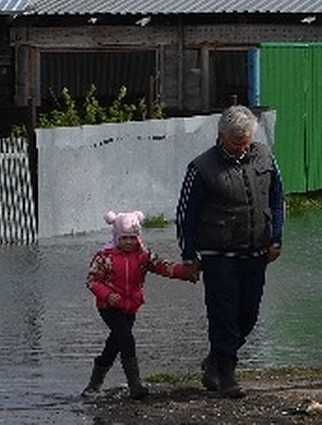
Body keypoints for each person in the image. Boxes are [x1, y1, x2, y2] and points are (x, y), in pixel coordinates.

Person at [176, 105, 284, 399]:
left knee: (247, 315)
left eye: (246, 141)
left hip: (255, 250)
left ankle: (215, 360)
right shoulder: (201, 168)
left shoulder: (265, 156)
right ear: (221, 136)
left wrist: (276, 238)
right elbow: (185, 214)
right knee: (223, 314)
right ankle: (227, 375)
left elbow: (277, 199)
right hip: (217, 253)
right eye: (236, 142)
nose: (241, 147)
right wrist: (188, 255)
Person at [82, 209, 199, 400]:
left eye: (132, 237)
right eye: (124, 238)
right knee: (126, 339)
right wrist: (107, 294)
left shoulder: (143, 255)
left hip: (130, 307)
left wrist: (185, 273)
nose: (129, 242)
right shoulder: (104, 257)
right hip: (109, 307)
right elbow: (92, 281)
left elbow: (163, 267)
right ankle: (135, 385)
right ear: (116, 237)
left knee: (114, 344)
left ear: (138, 237)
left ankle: (94, 385)